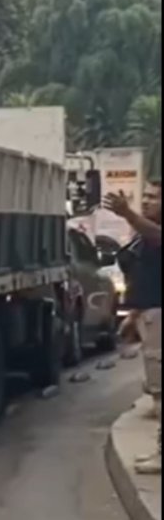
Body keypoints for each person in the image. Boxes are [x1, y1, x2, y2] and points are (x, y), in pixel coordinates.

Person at [106, 179, 161, 475]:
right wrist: (133, 314)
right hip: (149, 313)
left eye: (155, 197)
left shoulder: (151, 232)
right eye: (147, 196)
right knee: (156, 389)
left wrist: (128, 214)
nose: (148, 201)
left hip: (160, 316)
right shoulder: (144, 233)